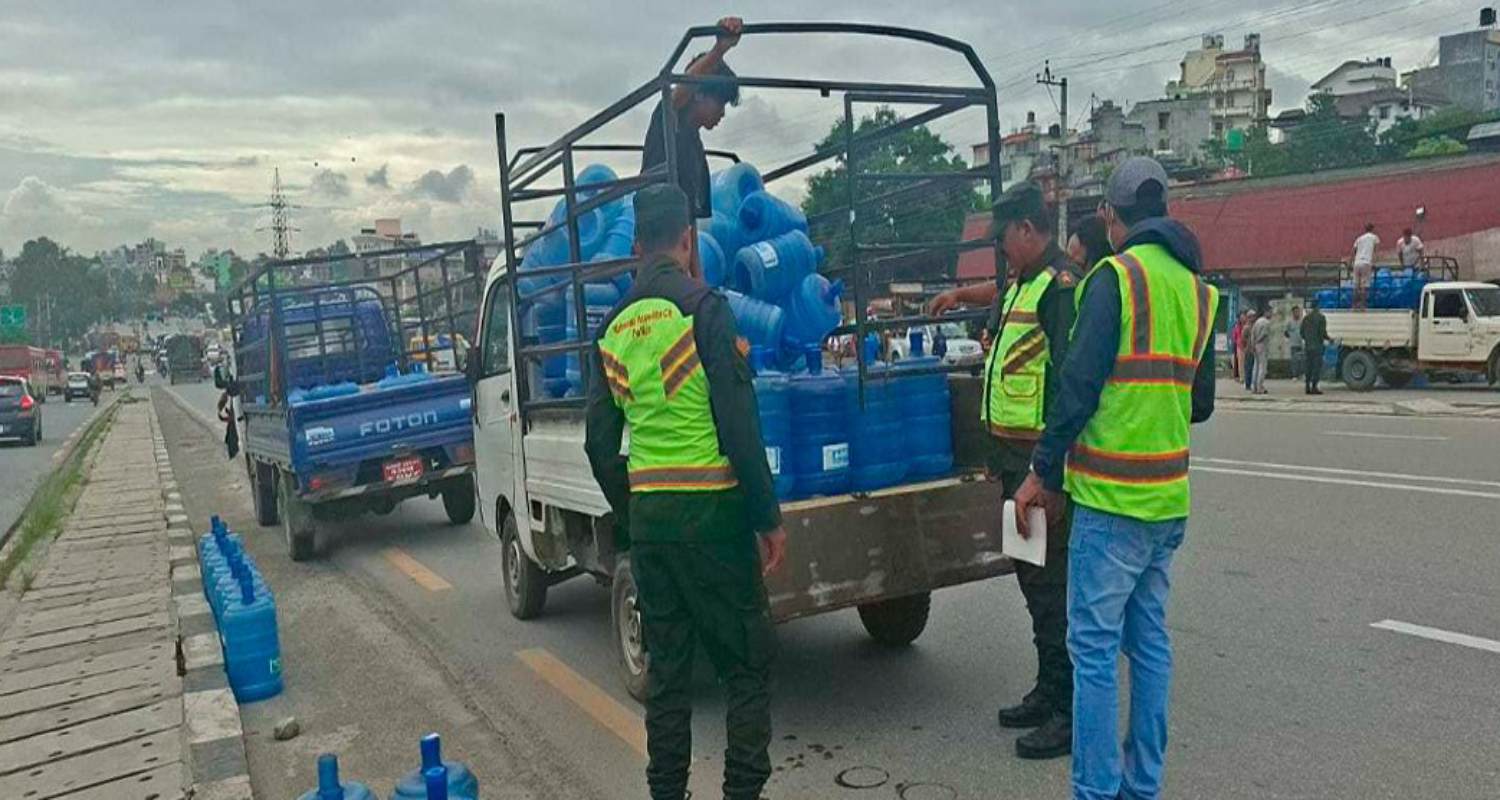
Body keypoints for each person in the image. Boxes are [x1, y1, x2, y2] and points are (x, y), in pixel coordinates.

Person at [1013, 157, 1218, 800]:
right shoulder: (1200, 290)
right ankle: (1141, 786)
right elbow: (1201, 403)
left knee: (1095, 649)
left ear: (1109, 215)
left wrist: (1041, 472)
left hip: (1110, 501)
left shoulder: (1114, 278)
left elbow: (1076, 386)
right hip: (1167, 502)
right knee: (1149, 643)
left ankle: (1095, 790)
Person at [584, 185, 787, 800]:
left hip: (652, 527)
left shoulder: (612, 330)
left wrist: (635, 511)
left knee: (668, 679)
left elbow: (599, 445)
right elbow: (740, 427)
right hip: (714, 521)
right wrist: (767, 518)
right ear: (688, 240)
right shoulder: (706, 308)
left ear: (636, 246)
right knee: (744, 666)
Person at [929, 182, 1081, 760]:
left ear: (1027, 228)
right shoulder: (1023, 282)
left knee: (1051, 587)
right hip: (1012, 463)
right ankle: (1047, 690)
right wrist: (958, 294)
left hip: (1037, 468)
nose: (1001, 249)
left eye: (1004, 239)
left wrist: (1051, 475)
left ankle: (1066, 710)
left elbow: (1067, 386)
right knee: (1030, 578)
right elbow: (997, 292)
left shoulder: (1060, 288)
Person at [642, 16, 743, 220]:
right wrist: (719, 51)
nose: (722, 113)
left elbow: (692, 222)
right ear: (699, 94)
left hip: (681, 235)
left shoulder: (696, 148)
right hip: (658, 232)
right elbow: (681, 91)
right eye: (720, 103)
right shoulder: (668, 118)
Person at [1301, 299, 1329, 394]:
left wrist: (1307, 340)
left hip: (1308, 346)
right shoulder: (1321, 318)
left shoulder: (1306, 318)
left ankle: (1307, 386)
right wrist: (1328, 339)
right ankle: (1314, 387)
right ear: (1318, 307)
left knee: (1308, 366)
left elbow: (1302, 332)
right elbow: (1322, 333)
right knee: (1316, 367)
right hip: (1317, 346)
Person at [1352, 222, 1379, 309]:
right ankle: (1363, 305)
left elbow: (1354, 250)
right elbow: (1375, 251)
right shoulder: (1374, 237)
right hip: (1366, 262)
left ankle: (1354, 305)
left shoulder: (1359, 238)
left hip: (1357, 262)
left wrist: (1351, 262)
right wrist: (1374, 263)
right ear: (1372, 229)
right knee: (1364, 285)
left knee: (1356, 285)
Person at [1251, 306, 1271, 395]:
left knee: (1256, 366)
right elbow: (1264, 334)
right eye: (1270, 312)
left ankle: (1254, 386)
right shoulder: (1266, 322)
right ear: (1266, 312)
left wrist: (1253, 344)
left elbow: (1252, 334)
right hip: (1262, 345)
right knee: (1262, 367)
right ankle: (1260, 387)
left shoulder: (1257, 321)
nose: (1271, 314)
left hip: (1256, 346)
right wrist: (1258, 340)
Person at [1241, 310, 1257, 391]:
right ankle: (1248, 384)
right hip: (1248, 350)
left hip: (1255, 349)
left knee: (1254, 367)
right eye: (1251, 316)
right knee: (1248, 367)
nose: (1253, 318)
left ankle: (1253, 383)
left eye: (1254, 316)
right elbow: (1243, 339)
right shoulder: (1246, 327)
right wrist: (1245, 348)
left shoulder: (1255, 326)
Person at [1287, 306, 1305, 380]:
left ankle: (1302, 374)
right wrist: (1291, 338)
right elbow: (1286, 332)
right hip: (1293, 344)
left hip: (1301, 344)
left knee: (1302, 360)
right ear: (1293, 313)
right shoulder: (1290, 322)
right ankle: (1294, 375)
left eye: (1298, 311)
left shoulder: (1302, 322)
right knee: (1294, 360)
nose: (1297, 313)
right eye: (1295, 312)